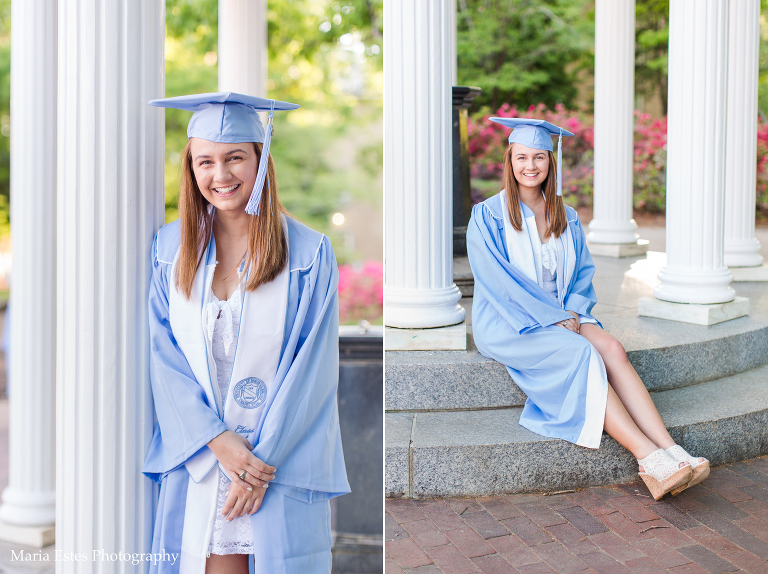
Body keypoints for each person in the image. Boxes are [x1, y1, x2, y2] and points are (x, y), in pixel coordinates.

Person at [142, 92, 350, 574]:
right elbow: (163, 356)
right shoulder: (168, 248)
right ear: (191, 169)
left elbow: (311, 375)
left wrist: (257, 466)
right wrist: (216, 440)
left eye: (236, 157)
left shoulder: (308, 253)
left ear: (261, 157)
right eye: (205, 161)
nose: (221, 175)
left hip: (275, 462)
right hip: (201, 455)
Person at [466, 117, 709, 501]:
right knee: (581, 354)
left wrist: (574, 312)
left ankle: (671, 448)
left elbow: (582, 274)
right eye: (522, 157)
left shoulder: (567, 214)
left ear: (551, 163)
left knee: (611, 348)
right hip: (511, 321)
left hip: (565, 313)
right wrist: (552, 318)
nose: (531, 166)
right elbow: (498, 283)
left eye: (540, 157)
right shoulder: (488, 217)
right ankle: (649, 460)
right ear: (509, 162)